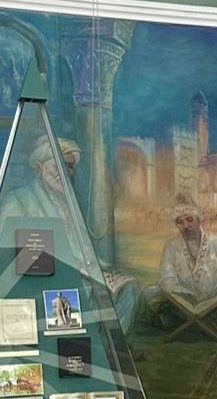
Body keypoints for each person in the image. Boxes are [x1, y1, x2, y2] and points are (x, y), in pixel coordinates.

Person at [0, 136, 141, 335]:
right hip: (43, 278)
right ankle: (85, 344)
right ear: (40, 167)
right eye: (60, 166)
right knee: (80, 294)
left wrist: (100, 270)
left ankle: (110, 344)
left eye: (71, 167)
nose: (67, 173)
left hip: (82, 272)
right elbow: (8, 256)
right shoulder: (18, 200)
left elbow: (82, 248)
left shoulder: (68, 203)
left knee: (130, 289)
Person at [143, 195, 217, 337]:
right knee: (148, 297)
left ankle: (192, 327)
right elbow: (167, 278)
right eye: (180, 222)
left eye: (189, 219)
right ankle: (205, 326)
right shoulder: (171, 247)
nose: (185, 226)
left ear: (198, 219)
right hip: (183, 306)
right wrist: (184, 298)